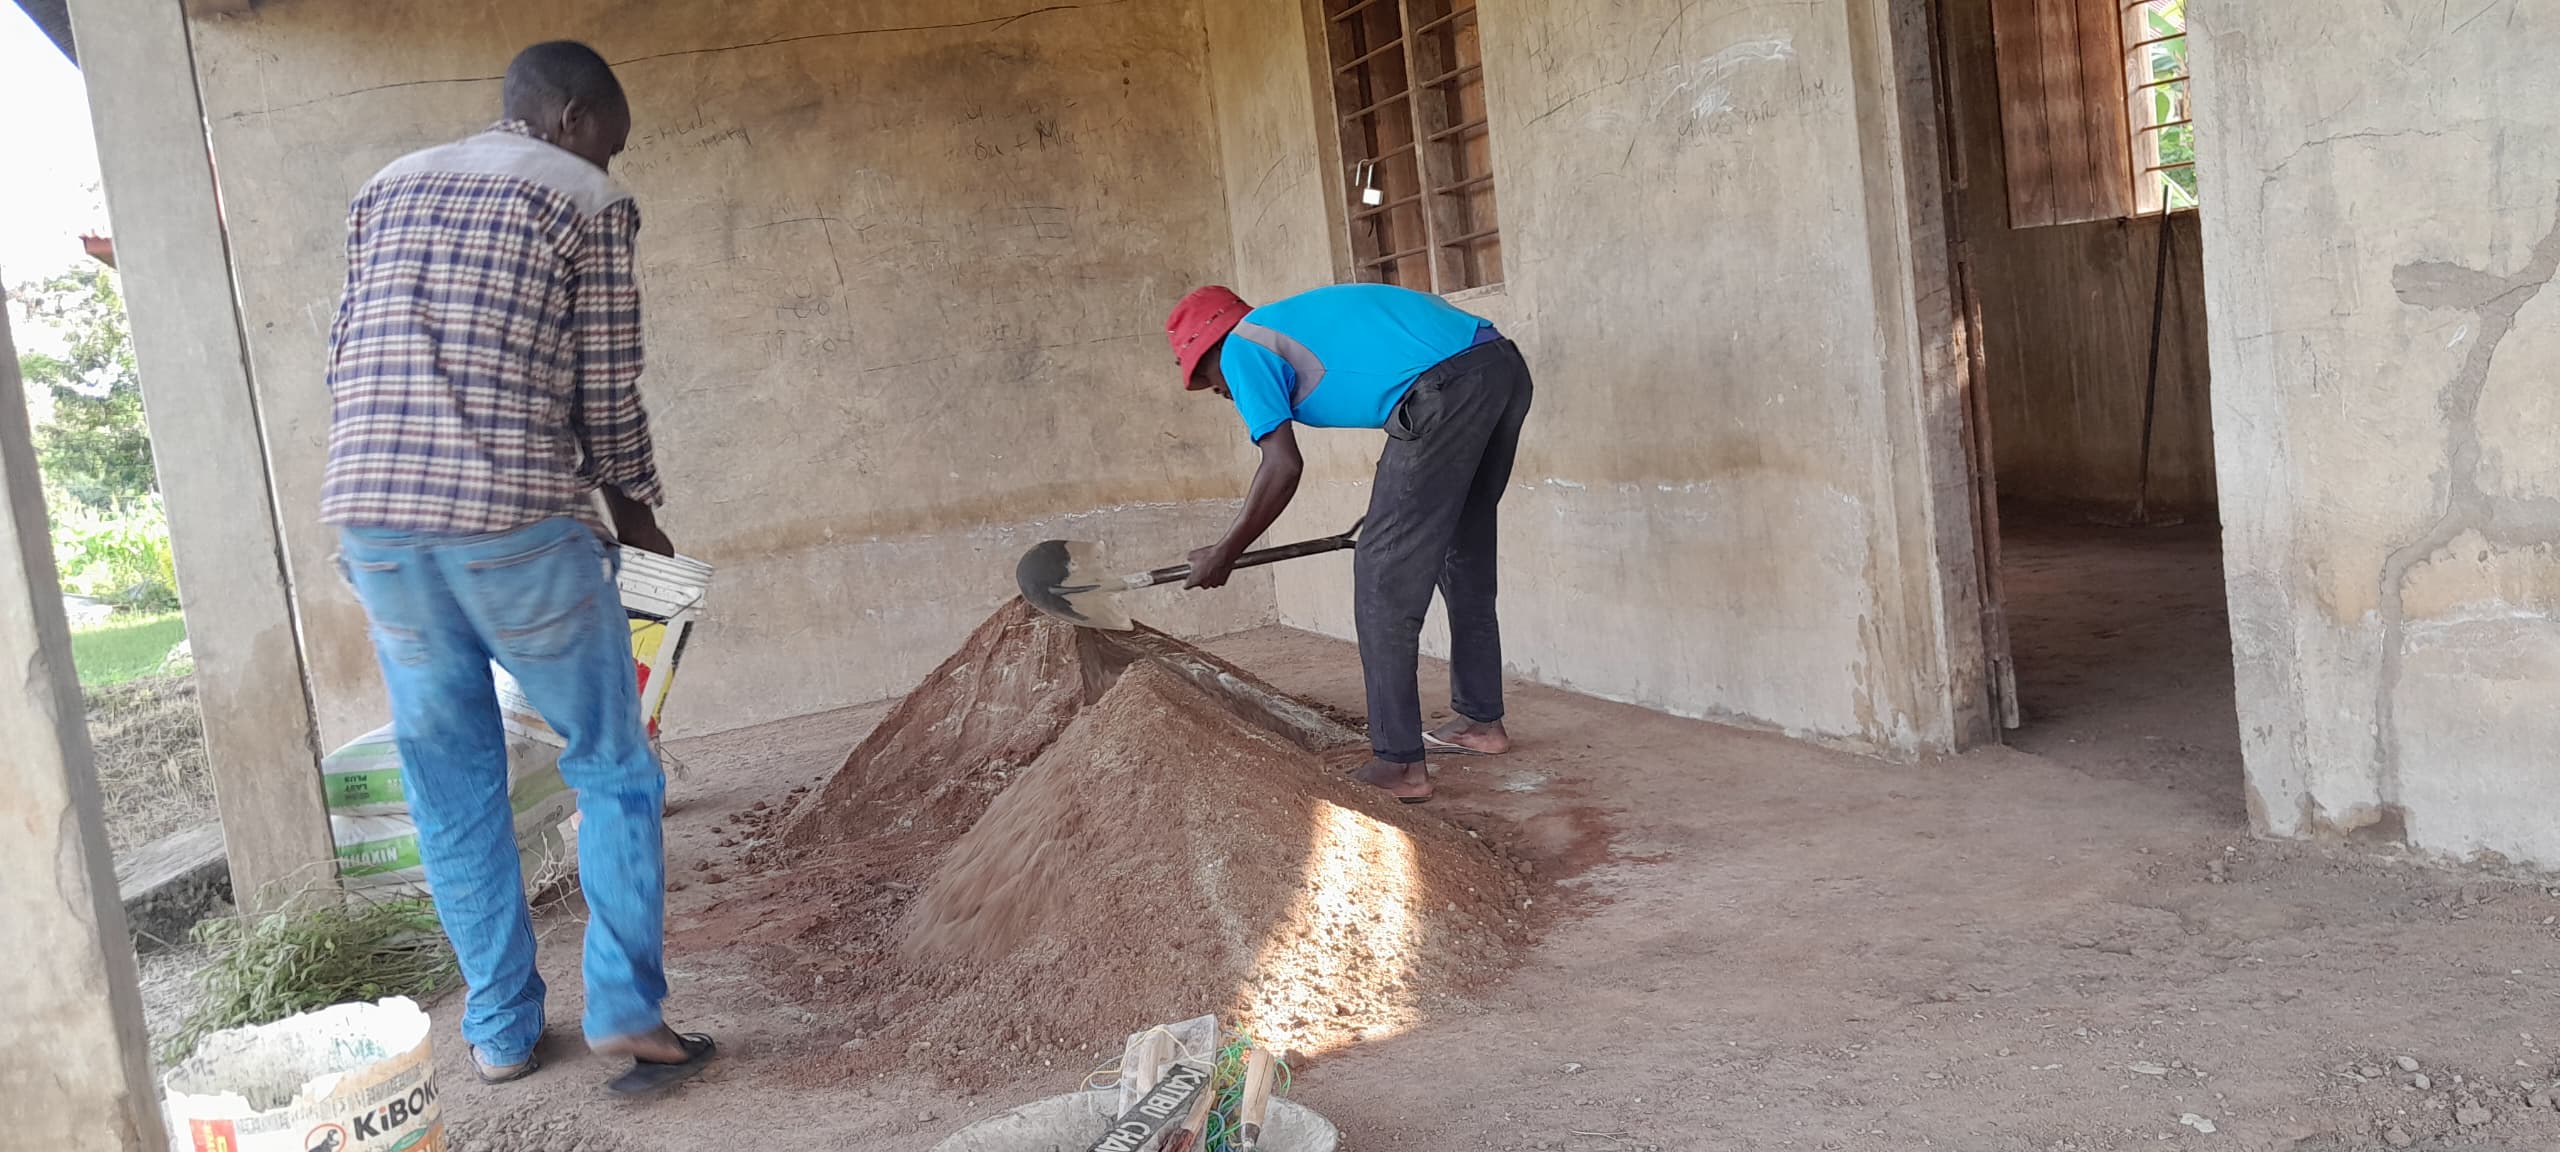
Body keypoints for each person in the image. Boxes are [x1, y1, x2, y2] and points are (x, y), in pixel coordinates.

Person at [320, 40, 713, 1096]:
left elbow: (345, 349)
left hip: (375, 527)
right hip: (509, 522)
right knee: (612, 764)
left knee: (451, 788)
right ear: (574, 115)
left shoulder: (385, 189)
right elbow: (605, 387)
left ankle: (497, 1031)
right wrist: (639, 523)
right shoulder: (582, 198)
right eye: (612, 143)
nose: (612, 164)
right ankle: (627, 1013)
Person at [1167, 283, 1534, 803]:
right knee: (1461, 551)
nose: (1219, 393)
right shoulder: (1283, 323)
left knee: (1382, 575)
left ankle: (1399, 764)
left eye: (1205, 381)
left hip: (1446, 386)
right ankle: (1480, 722)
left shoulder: (1242, 347)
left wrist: (1225, 551)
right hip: (1501, 368)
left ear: (1211, 350)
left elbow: (1282, 466)